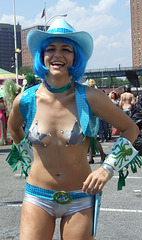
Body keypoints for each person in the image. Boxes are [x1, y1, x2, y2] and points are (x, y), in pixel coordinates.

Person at [7, 19, 141, 240]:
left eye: (66, 49)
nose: (57, 54)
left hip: (81, 197)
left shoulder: (91, 97)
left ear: (75, 56)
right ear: (42, 55)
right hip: (37, 196)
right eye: (50, 49)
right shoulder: (26, 100)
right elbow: (14, 130)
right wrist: (31, 158)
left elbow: (130, 129)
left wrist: (106, 169)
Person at [84, 79, 106, 163]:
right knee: (89, 138)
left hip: (93, 118)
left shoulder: (93, 95)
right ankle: (91, 157)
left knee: (92, 138)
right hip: (89, 118)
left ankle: (100, 154)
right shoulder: (89, 94)